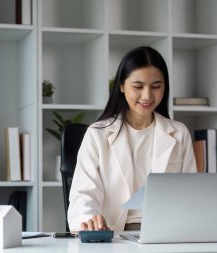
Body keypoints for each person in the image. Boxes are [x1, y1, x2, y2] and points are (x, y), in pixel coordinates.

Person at [67, 46, 197, 232]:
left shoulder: (179, 133)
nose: (147, 96)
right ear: (121, 85)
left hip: (166, 234)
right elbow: (83, 194)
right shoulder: (98, 134)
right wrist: (90, 221)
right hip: (114, 234)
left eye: (156, 86)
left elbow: (190, 195)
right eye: (138, 86)